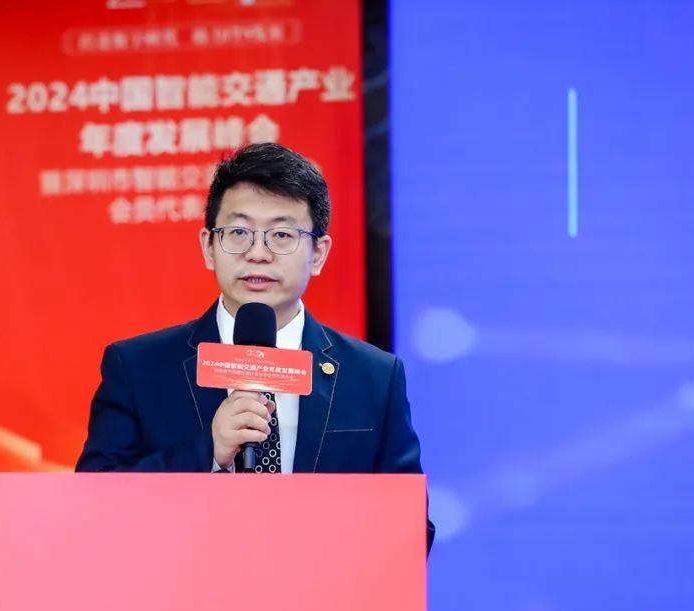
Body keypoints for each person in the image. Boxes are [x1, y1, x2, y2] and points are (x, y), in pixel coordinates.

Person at [76, 142, 433, 553]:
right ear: (208, 247)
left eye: (281, 235)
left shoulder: (374, 376)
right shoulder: (138, 367)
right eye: (238, 233)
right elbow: (91, 507)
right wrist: (208, 453)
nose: (258, 253)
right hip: (181, 589)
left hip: (323, 591)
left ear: (318, 253)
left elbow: (410, 527)